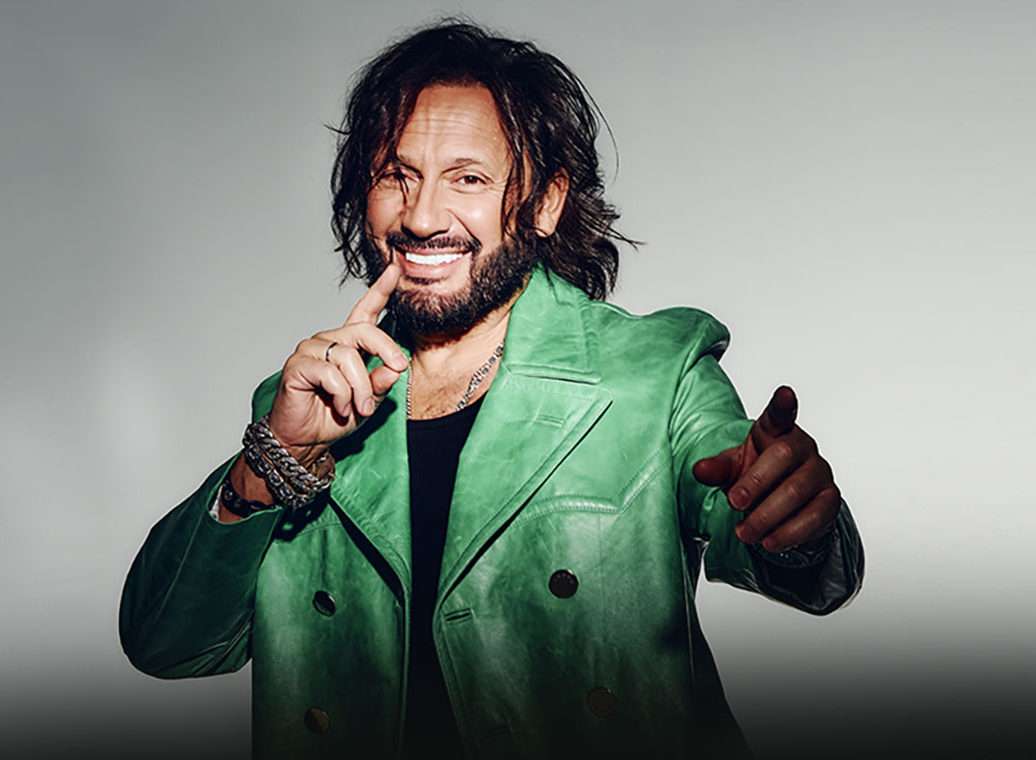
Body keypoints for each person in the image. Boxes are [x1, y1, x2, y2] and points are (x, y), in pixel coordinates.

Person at [120, 21, 863, 760]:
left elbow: (771, 537)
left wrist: (791, 519)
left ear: (544, 202)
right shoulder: (303, 405)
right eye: (396, 175)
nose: (421, 217)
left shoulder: (655, 370)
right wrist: (270, 461)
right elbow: (165, 644)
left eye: (468, 179)